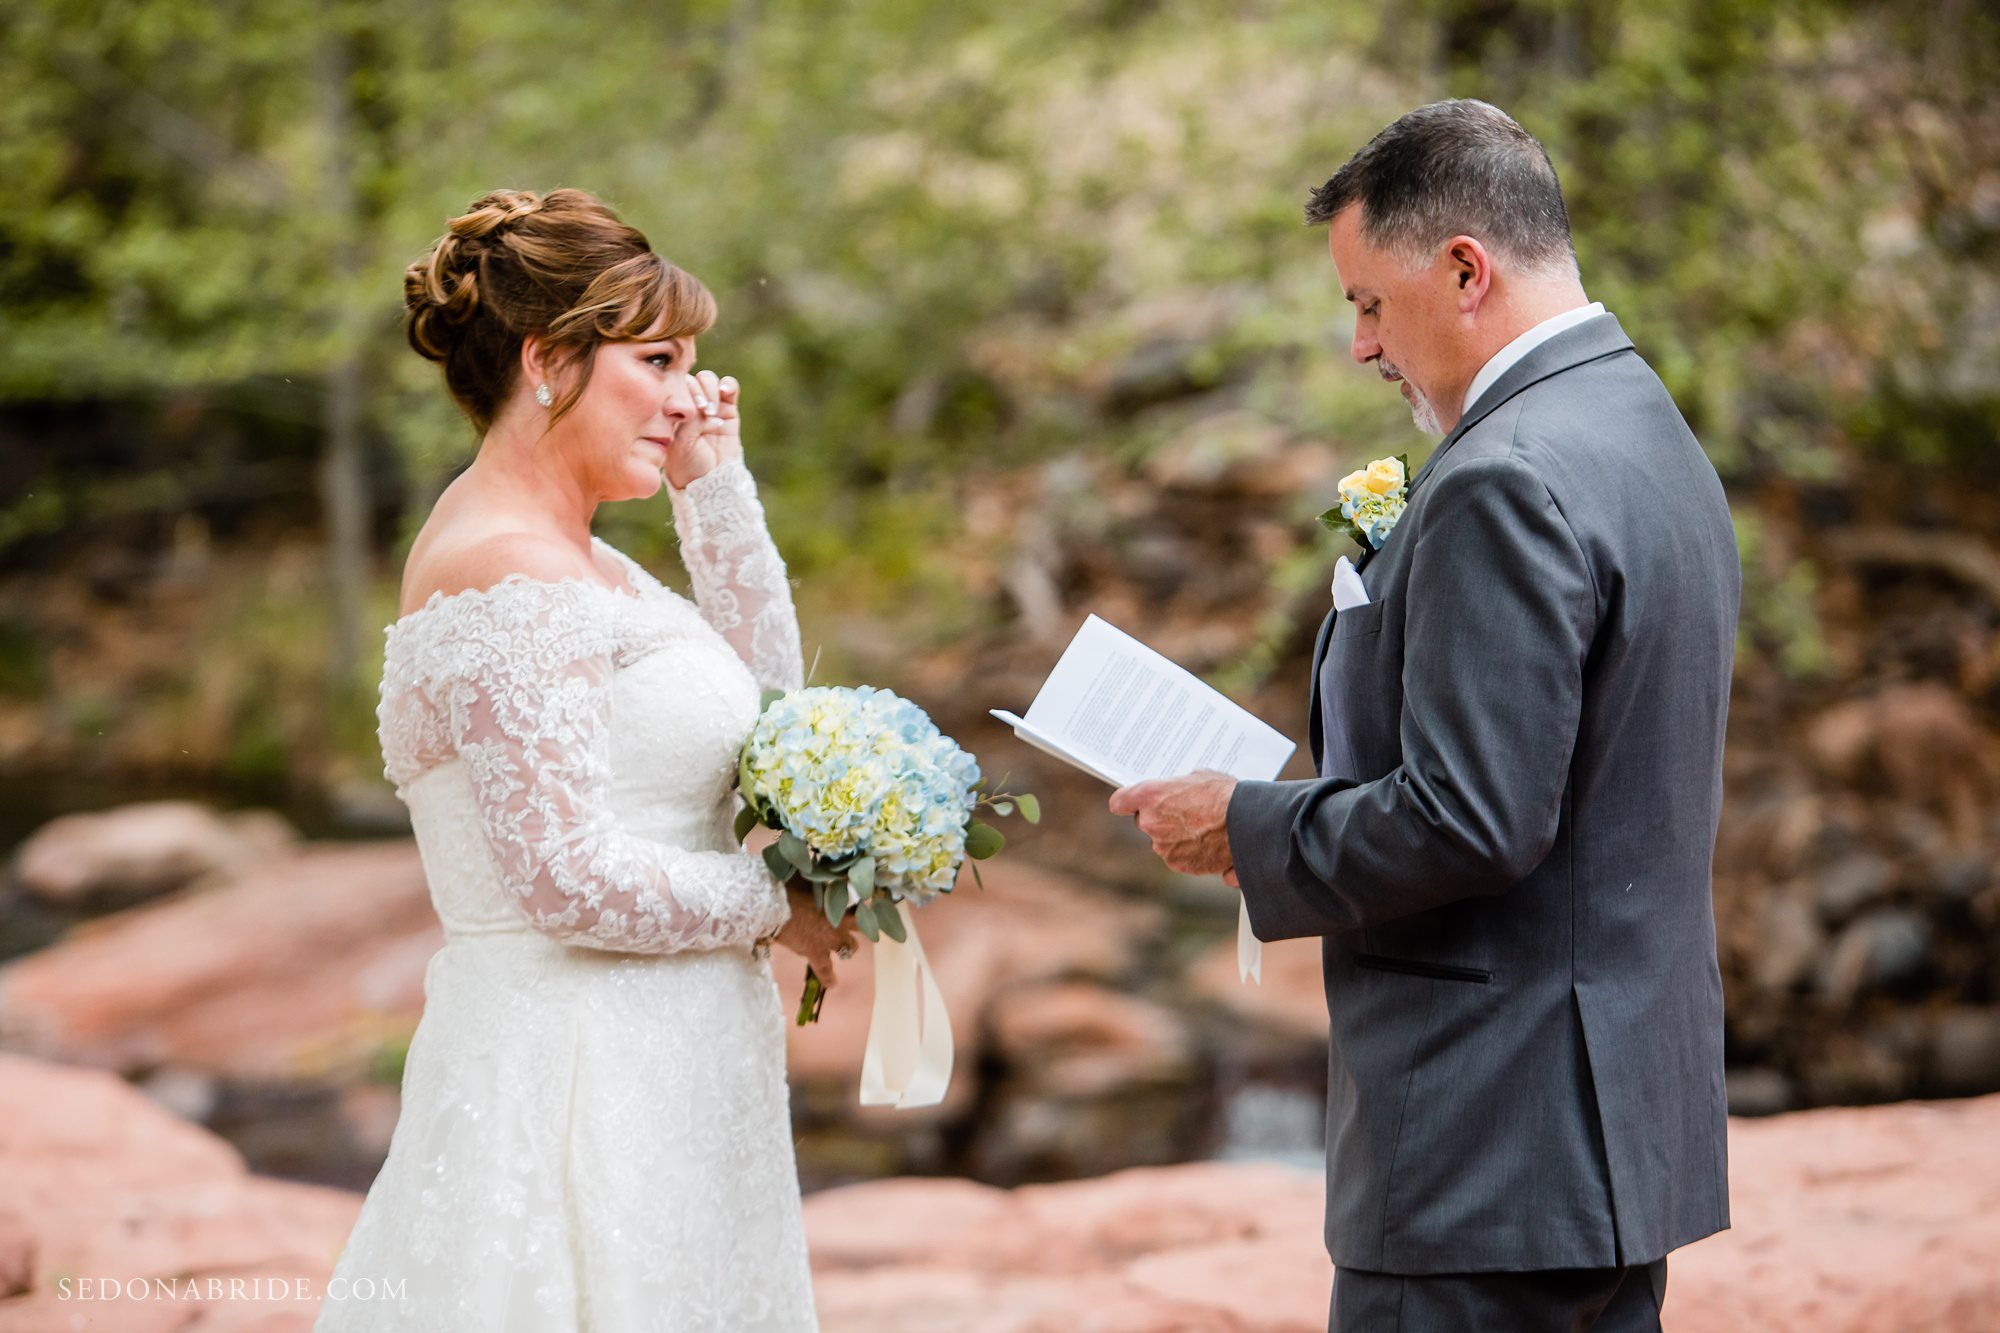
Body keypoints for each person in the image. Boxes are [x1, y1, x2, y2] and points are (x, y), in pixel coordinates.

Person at [1110, 100, 1738, 1331]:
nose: (1358, 345)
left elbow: (1472, 820)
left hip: (1479, 1144)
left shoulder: (1502, 475)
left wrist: (1246, 827)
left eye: (1366, 302)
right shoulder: (1643, 426)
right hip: (1610, 1138)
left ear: (1463, 269)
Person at [315, 187, 849, 1332]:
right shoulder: (503, 569)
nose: (687, 396)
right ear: (548, 358)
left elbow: (770, 725)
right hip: (575, 1080)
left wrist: (714, 490)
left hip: (672, 1068)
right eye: (656, 360)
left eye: (691, 364)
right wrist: (775, 904)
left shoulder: (583, 561)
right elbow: (561, 877)